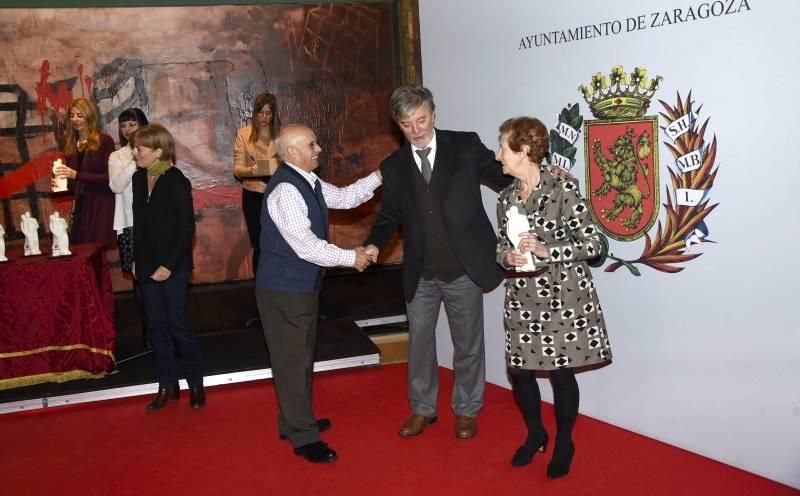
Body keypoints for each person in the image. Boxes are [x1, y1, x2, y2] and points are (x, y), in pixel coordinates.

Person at [363, 85, 512, 441]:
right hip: (421, 273)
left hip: (463, 268)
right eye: (407, 123)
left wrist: (543, 178)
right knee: (420, 344)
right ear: (398, 125)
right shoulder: (395, 166)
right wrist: (372, 245)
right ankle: (422, 408)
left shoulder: (464, 146)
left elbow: (504, 177)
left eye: (422, 119)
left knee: (468, 345)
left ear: (433, 112)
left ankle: (466, 409)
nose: (416, 129)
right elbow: (390, 216)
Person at [494, 116, 612, 478]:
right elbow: (501, 245)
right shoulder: (506, 197)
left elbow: (595, 244)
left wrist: (548, 250)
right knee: (520, 372)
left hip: (563, 297)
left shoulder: (563, 190)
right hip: (522, 297)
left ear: (524, 150)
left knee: (561, 374)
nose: (498, 155)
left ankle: (564, 441)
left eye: (503, 147)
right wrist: (506, 256)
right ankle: (536, 433)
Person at [256, 124, 380, 464]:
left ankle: (295, 421)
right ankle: (303, 436)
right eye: (312, 144)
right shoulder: (286, 191)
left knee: (298, 357)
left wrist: (380, 175)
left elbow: (345, 197)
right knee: (293, 361)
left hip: (298, 288)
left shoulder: (307, 181)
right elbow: (308, 247)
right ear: (292, 152)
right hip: (283, 290)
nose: (319, 148)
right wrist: (351, 257)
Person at [131, 124, 206, 411]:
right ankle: (167, 384)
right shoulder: (139, 180)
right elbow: (139, 225)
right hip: (146, 264)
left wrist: (168, 265)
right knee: (156, 326)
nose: (135, 153)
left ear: (158, 151)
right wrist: (136, 259)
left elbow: (186, 228)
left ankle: (196, 384)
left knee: (177, 324)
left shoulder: (176, 180)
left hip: (174, 265)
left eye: (140, 149)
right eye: (135, 148)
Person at [52, 97, 116, 247]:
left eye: (80, 115)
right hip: (82, 204)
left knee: (99, 250)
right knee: (82, 250)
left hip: (101, 203)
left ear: (90, 116)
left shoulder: (104, 141)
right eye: (72, 115)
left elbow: (109, 179)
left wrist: (77, 175)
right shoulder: (71, 145)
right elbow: (74, 183)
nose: (75, 119)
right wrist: (61, 184)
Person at [234, 92, 281, 272]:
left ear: (274, 114)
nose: (264, 117)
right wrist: (255, 170)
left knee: (279, 242)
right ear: (254, 113)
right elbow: (237, 169)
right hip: (253, 195)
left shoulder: (283, 134)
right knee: (260, 245)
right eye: (260, 113)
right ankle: (261, 287)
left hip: (278, 194)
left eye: (268, 113)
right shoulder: (244, 134)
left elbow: (291, 164)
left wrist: (275, 167)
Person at [109, 108, 149, 273]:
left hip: (155, 218)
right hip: (129, 222)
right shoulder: (116, 156)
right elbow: (115, 186)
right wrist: (135, 160)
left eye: (132, 124)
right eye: (123, 125)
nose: (127, 129)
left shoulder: (155, 151)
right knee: (137, 273)